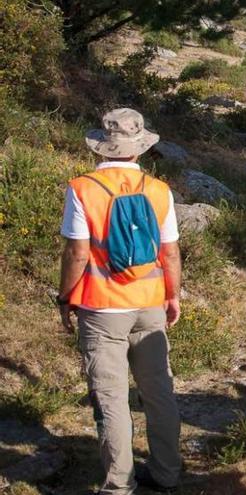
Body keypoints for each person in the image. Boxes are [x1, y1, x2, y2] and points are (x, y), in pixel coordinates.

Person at [58, 108, 182, 494]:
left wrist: (65, 298)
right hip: (149, 304)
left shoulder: (82, 188)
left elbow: (77, 253)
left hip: (101, 307)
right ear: (139, 149)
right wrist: (172, 295)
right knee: (159, 391)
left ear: (103, 147)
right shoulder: (159, 190)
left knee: (111, 398)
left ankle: (118, 485)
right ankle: (166, 473)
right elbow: (171, 253)